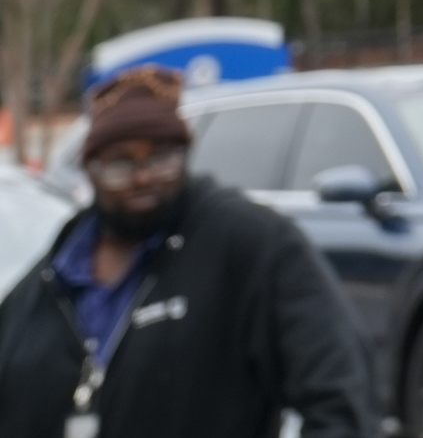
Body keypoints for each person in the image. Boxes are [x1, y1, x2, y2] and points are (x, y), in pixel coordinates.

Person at [0, 67, 367, 438]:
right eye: (121, 162)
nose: (142, 177)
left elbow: (342, 391)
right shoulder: (48, 283)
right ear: (90, 169)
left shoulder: (249, 245)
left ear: (186, 153)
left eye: (160, 157)